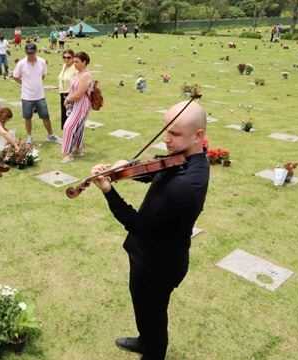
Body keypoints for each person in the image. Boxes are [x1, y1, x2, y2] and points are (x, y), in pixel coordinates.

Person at [90, 100, 210, 360]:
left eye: (175, 133)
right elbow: (159, 169)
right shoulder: (188, 158)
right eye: (165, 130)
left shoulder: (185, 187)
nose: (166, 139)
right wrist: (127, 166)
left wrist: (109, 192)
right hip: (150, 254)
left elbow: (137, 225)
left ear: (198, 135)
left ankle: (153, 352)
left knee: (153, 312)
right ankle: (145, 340)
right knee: (144, 308)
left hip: (158, 263)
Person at [12, 43, 61, 145]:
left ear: (36, 52)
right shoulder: (21, 63)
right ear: (26, 52)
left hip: (40, 95)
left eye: (32, 53)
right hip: (26, 96)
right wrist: (24, 83)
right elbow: (15, 76)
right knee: (27, 117)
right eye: (29, 53)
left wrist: (36, 84)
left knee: (45, 116)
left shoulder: (42, 62)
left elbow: (43, 75)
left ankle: (50, 135)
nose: (31, 55)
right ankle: (29, 137)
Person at [62, 51, 93, 163]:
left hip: (82, 104)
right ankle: (78, 148)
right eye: (74, 61)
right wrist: (68, 100)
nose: (74, 64)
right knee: (79, 127)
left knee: (68, 126)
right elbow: (72, 90)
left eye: (77, 61)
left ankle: (66, 153)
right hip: (75, 103)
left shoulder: (86, 75)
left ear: (84, 62)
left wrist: (68, 99)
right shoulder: (76, 74)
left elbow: (80, 93)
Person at [57, 49, 77, 130]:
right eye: (64, 57)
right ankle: (67, 138)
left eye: (69, 57)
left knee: (70, 117)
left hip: (70, 95)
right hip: (63, 93)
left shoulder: (75, 68)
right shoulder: (64, 66)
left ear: (73, 58)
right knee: (65, 117)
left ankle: (73, 139)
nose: (66, 59)